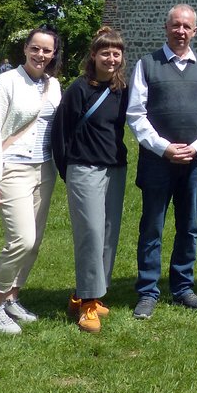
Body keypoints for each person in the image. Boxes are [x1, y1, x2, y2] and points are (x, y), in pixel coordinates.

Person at [128, 4, 197, 318]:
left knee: (189, 227)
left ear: (195, 31)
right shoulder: (146, 65)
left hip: (195, 163)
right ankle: (148, 291)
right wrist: (164, 148)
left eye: (187, 27)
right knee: (152, 226)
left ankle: (182, 287)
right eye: (176, 26)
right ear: (166, 28)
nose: (181, 31)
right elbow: (136, 114)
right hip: (158, 161)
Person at [0, 27, 63, 334]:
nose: (41, 55)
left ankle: (12, 298)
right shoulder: (6, 83)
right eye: (35, 49)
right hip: (12, 168)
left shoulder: (54, 86)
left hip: (44, 169)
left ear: (54, 54)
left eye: (47, 50)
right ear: (25, 49)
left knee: (34, 242)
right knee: (21, 240)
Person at [53, 26, 131, 333]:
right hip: (84, 169)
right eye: (105, 53)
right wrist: (67, 170)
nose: (111, 59)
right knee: (91, 234)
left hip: (115, 169)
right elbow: (59, 132)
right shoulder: (79, 89)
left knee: (109, 236)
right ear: (93, 56)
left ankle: (88, 294)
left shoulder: (121, 89)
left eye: (116, 53)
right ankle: (86, 304)